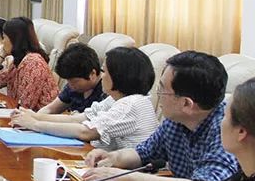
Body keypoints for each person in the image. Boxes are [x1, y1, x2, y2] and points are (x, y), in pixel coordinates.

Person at [83, 51, 240, 181]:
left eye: (162, 90)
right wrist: (113, 158)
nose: (157, 96)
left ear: (186, 104)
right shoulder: (176, 120)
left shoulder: (227, 128)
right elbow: (143, 153)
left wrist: (125, 177)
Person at [10, 47, 159, 151]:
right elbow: (79, 119)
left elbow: (85, 132)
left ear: (119, 76)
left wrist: (35, 124)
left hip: (127, 171)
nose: (102, 75)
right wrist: (34, 116)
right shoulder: (117, 99)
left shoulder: (131, 104)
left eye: (105, 71)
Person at [0, 17, 58, 110]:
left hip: (41, 116)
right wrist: (1, 54)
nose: (2, 42)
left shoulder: (34, 63)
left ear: (14, 39)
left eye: (4, 37)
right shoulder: (18, 61)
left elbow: (26, 106)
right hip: (22, 114)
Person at [38, 44, 107, 114]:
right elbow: (50, 109)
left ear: (92, 73)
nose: (71, 86)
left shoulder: (106, 91)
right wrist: (35, 117)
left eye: (75, 82)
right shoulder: (73, 87)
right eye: (68, 81)